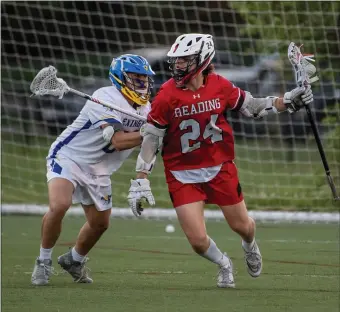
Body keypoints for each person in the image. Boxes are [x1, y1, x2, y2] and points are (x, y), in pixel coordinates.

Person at [127, 34, 313, 288]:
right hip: (182, 173)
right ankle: (224, 264)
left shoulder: (220, 85)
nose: (178, 65)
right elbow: (152, 137)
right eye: (177, 60)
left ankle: (249, 246)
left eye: (185, 60)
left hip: (219, 168)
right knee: (197, 241)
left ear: (202, 60)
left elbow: (253, 107)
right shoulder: (166, 95)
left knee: (243, 227)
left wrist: (287, 101)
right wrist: (141, 177)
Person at [31, 54, 155, 286]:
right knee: (60, 205)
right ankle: (43, 261)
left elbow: (149, 146)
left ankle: (74, 260)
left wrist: (142, 179)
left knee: (100, 224)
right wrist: (152, 131)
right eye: (136, 77)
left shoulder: (147, 109)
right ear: (120, 78)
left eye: (145, 78)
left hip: (99, 170)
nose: (142, 82)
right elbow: (117, 140)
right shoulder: (104, 96)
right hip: (69, 157)